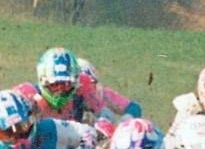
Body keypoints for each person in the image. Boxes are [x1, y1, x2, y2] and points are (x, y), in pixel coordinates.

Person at [13, 46, 141, 131]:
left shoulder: (92, 91)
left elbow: (110, 115)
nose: (60, 92)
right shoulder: (28, 94)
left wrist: (112, 126)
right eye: (54, 85)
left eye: (67, 85)